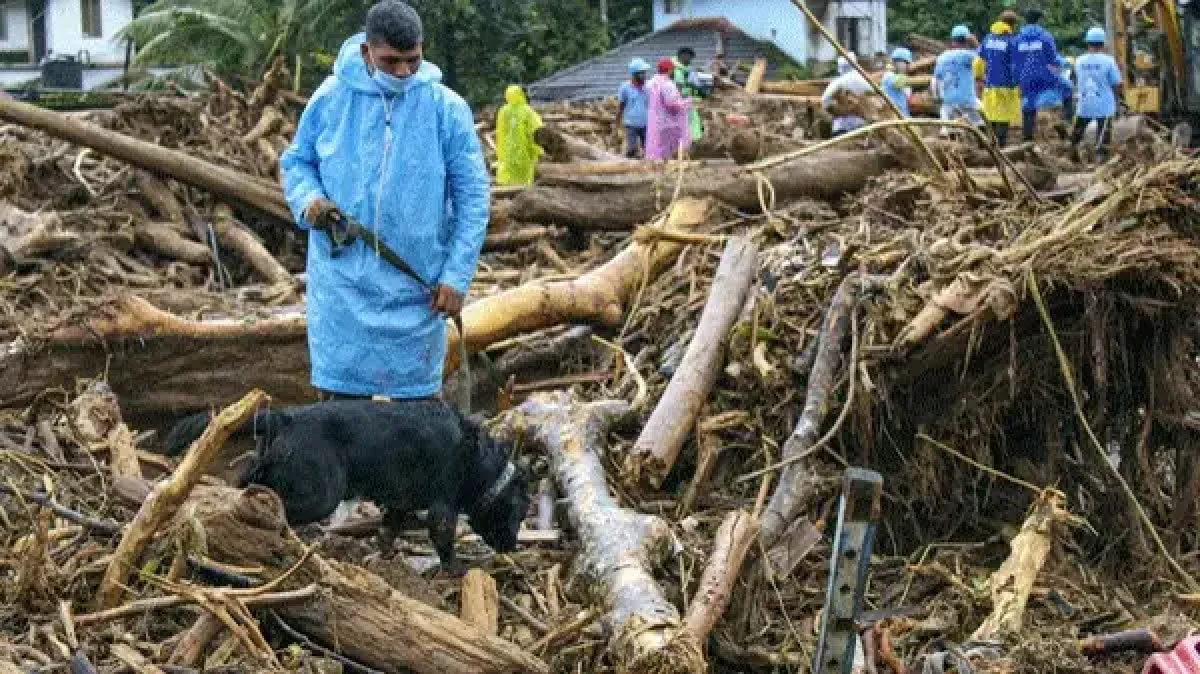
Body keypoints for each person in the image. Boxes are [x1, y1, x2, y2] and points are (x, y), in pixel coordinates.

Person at [280, 1, 490, 401]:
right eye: (391, 61)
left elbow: (473, 198)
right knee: (342, 417)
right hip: (343, 287)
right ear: (366, 51)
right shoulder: (331, 99)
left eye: (413, 60)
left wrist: (457, 274)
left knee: (417, 418)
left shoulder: (446, 109)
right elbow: (297, 162)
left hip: (418, 289)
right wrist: (309, 200)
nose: (403, 72)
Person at [1071, 27, 1123, 161]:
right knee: (1103, 137)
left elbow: (1075, 79)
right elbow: (1116, 84)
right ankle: (1101, 159)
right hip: (1104, 106)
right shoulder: (1109, 61)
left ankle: (1072, 155)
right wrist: (1117, 102)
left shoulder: (1079, 60)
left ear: (1087, 43)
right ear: (1103, 43)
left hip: (1084, 104)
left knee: (1078, 132)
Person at [1013, 7, 1059, 141]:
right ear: (1038, 21)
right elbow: (1053, 58)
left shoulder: (1018, 39)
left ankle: (1027, 136)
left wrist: (1017, 78)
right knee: (1063, 92)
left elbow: (1014, 60)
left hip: (1025, 77)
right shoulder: (1045, 37)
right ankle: (1061, 125)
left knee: (1028, 105)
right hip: (1043, 76)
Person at [976, 11, 1020, 146]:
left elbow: (978, 61)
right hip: (1007, 86)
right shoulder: (1012, 41)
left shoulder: (988, 38)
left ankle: (989, 145)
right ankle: (1000, 146)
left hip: (990, 85)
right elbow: (1016, 65)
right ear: (1012, 25)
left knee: (991, 115)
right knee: (1003, 117)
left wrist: (979, 76)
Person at [934, 25, 985, 130]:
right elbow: (984, 58)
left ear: (952, 41)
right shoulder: (969, 55)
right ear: (967, 40)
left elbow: (935, 80)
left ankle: (949, 132)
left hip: (948, 102)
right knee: (984, 121)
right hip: (967, 101)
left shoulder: (942, 57)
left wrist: (938, 97)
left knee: (950, 127)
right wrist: (976, 43)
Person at [495, 84, 542, 186]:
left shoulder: (503, 111)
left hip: (507, 154)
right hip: (524, 154)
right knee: (524, 184)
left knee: (508, 183)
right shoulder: (528, 111)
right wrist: (539, 151)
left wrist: (500, 153)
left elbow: (500, 133)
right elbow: (538, 132)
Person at [645, 57, 691, 160]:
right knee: (668, 149)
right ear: (670, 70)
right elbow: (672, 103)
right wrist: (687, 102)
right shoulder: (667, 84)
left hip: (654, 120)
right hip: (667, 122)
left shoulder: (650, 83)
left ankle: (654, 163)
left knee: (655, 145)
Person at [821, 54, 872, 136]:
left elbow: (825, 102)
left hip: (841, 127)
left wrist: (841, 112)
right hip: (862, 126)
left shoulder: (838, 82)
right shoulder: (866, 81)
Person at [617, 58, 651, 158]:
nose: (644, 76)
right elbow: (621, 105)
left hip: (645, 123)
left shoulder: (647, 87)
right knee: (631, 149)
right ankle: (629, 163)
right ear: (634, 74)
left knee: (648, 148)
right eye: (641, 73)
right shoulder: (625, 87)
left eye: (644, 73)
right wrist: (617, 120)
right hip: (631, 123)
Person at [673, 46, 705, 141]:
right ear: (682, 56)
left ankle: (690, 141)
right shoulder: (675, 70)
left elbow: (696, 84)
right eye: (689, 58)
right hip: (678, 103)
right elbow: (678, 90)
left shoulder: (687, 69)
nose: (690, 60)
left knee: (692, 123)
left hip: (687, 101)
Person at [881, 48, 913, 117]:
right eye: (905, 62)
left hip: (903, 115)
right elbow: (898, 82)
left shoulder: (906, 80)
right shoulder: (888, 75)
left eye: (908, 63)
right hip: (890, 115)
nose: (907, 65)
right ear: (894, 62)